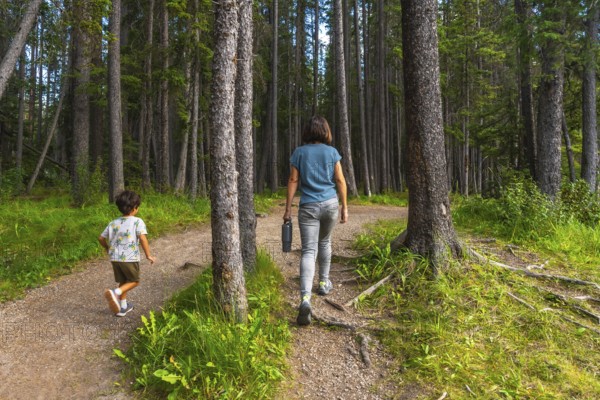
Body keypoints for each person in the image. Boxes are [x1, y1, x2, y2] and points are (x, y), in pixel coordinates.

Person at [284, 116, 348, 326]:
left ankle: (305, 298)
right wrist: (344, 207)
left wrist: (287, 209)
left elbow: (293, 180)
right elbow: (339, 180)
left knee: (308, 251)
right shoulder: (332, 152)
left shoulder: (299, 152)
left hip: (308, 207)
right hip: (330, 204)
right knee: (325, 243)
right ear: (326, 131)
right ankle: (323, 282)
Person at [98, 190, 156, 317]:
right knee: (135, 281)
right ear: (135, 208)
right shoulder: (137, 221)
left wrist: (107, 248)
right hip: (129, 258)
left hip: (115, 258)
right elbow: (142, 238)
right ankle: (115, 292)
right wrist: (148, 255)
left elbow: (101, 238)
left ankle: (122, 307)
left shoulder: (113, 222)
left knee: (124, 280)